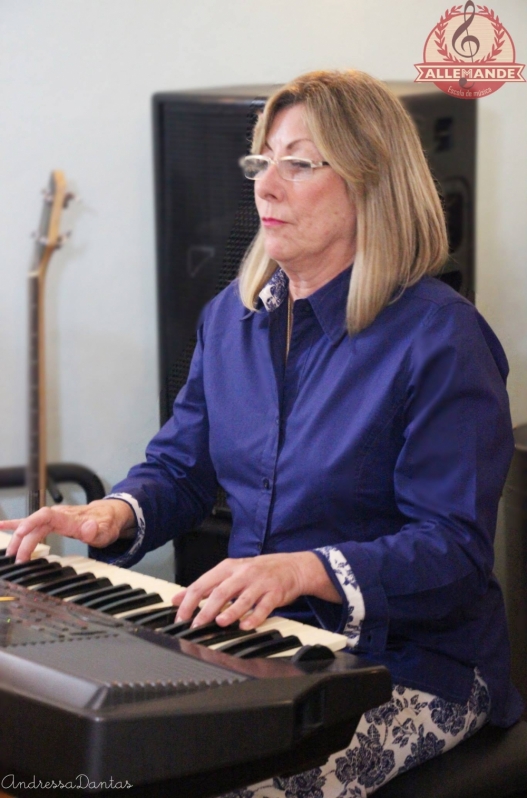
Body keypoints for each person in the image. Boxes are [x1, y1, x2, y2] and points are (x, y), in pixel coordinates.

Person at [1, 70, 522, 796]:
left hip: (408, 666)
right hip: (257, 648)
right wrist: (111, 512)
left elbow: (454, 550)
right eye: (260, 162)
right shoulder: (230, 319)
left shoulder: (440, 339)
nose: (265, 187)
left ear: (371, 181)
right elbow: (181, 469)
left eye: (298, 163)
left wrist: (304, 569)